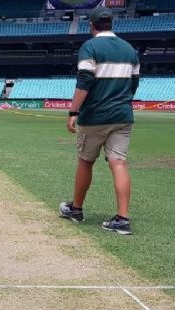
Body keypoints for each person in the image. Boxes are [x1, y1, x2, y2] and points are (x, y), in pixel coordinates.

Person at [59, 7, 139, 235]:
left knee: (86, 161)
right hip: (122, 115)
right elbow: (134, 83)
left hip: (95, 115)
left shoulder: (90, 47)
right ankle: (122, 219)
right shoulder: (129, 49)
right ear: (111, 24)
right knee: (119, 163)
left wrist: (73, 112)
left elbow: (85, 81)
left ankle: (76, 209)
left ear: (91, 25)